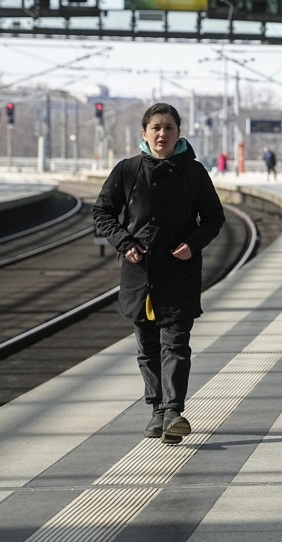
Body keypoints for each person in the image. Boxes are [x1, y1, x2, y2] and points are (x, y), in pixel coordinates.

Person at [93, 103, 226, 445]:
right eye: (156, 128)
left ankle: (173, 411)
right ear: (144, 133)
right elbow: (103, 212)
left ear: (179, 132)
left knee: (176, 343)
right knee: (148, 346)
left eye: (169, 127)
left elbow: (214, 217)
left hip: (179, 270)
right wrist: (124, 243)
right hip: (139, 272)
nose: (162, 133)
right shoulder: (127, 170)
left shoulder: (194, 172)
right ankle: (157, 410)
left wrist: (193, 244)